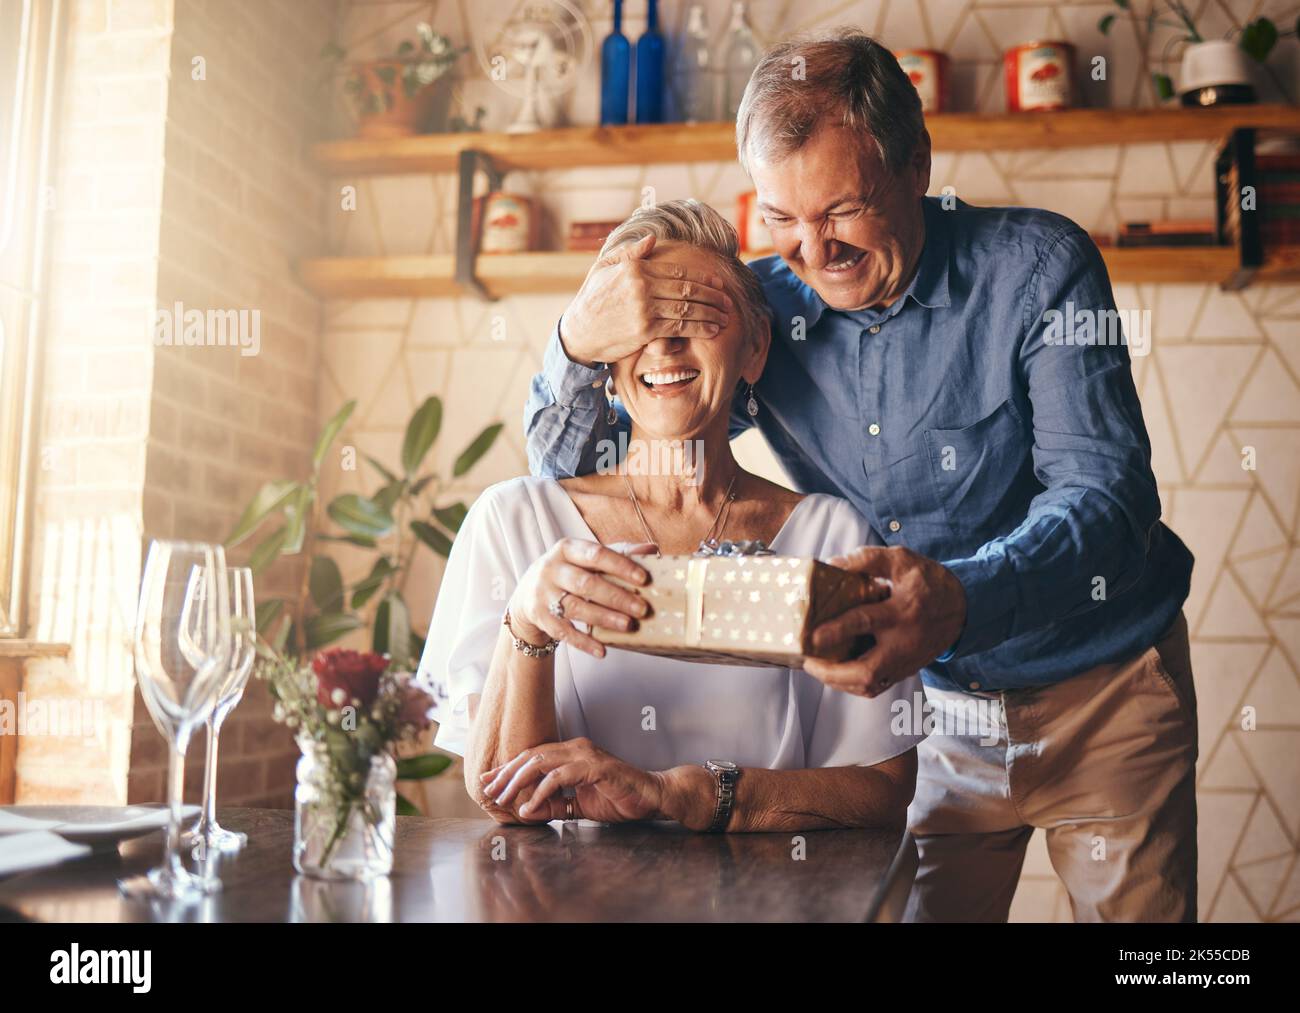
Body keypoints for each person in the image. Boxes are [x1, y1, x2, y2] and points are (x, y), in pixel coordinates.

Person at [523, 30, 1197, 922]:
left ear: (915, 164)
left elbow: (1108, 498)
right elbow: (565, 483)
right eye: (780, 219)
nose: (811, 252)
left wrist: (958, 599)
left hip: (1102, 690)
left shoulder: (1040, 267)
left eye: (842, 210)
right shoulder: (764, 316)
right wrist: (578, 338)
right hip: (935, 715)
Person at [419, 199, 924, 833]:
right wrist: (527, 624)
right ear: (605, 353)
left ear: (755, 348)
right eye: (641, 318)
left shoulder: (832, 535)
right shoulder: (513, 522)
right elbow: (503, 796)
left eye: (698, 313)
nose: (665, 341)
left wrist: (687, 794)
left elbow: (880, 787)